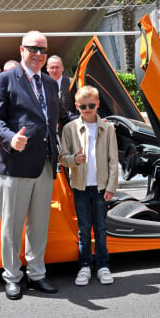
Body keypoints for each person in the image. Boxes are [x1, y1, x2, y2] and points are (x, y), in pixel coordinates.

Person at [0, 30, 75, 300]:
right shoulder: (4, 80)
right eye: (33, 49)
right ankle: (12, 277)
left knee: (39, 225)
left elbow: (60, 116)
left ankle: (37, 274)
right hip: (15, 165)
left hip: (45, 164)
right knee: (12, 227)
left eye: (43, 50)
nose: (38, 54)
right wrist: (11, 138)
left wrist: (91, 119)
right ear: (21, 49)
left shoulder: (49, 83)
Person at [59, 85, 118, 286]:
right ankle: (85, 266)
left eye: (91, 105)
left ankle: (103, 266)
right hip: (80, 188)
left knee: (101, 228)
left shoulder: (108, 129)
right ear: (76, 106)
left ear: (98, 104)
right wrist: (74, 159)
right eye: (83, 106)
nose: (87, 109)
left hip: (101, 187)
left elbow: (113, 160)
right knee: (84, 229)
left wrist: (111, 186)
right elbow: (62, 157)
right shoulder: (69, 129)